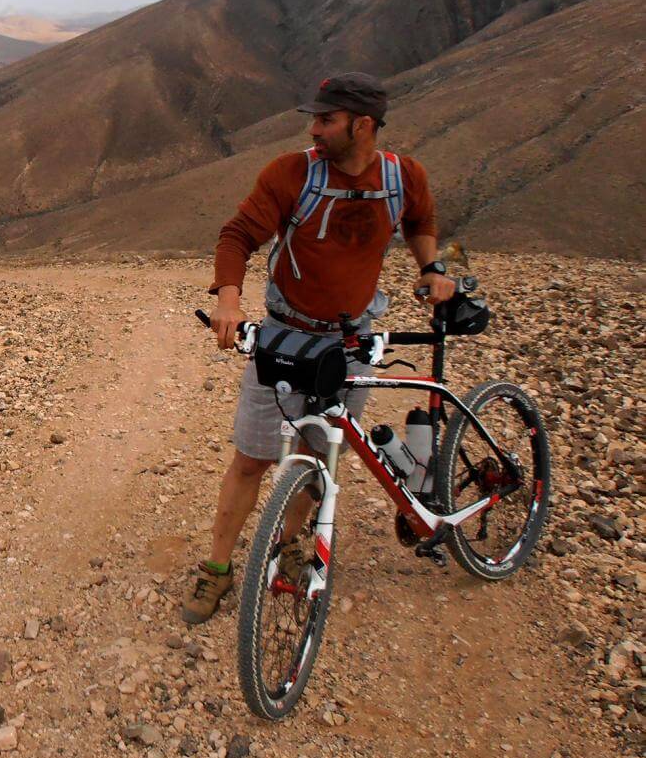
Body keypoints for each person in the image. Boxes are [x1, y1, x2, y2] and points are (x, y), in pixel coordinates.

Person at [181, 72, 457, 624]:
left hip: (352, 338)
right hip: (287, 335)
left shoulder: (404, 177)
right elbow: (237, 236)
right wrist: (230, 301)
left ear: (362, 125)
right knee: (253, 457)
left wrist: (431, 269)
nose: (314, 130)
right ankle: (216, 568)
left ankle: (288, 546)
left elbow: (420, 221)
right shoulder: (292, 173)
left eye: (325, 120)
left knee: (319, 451)